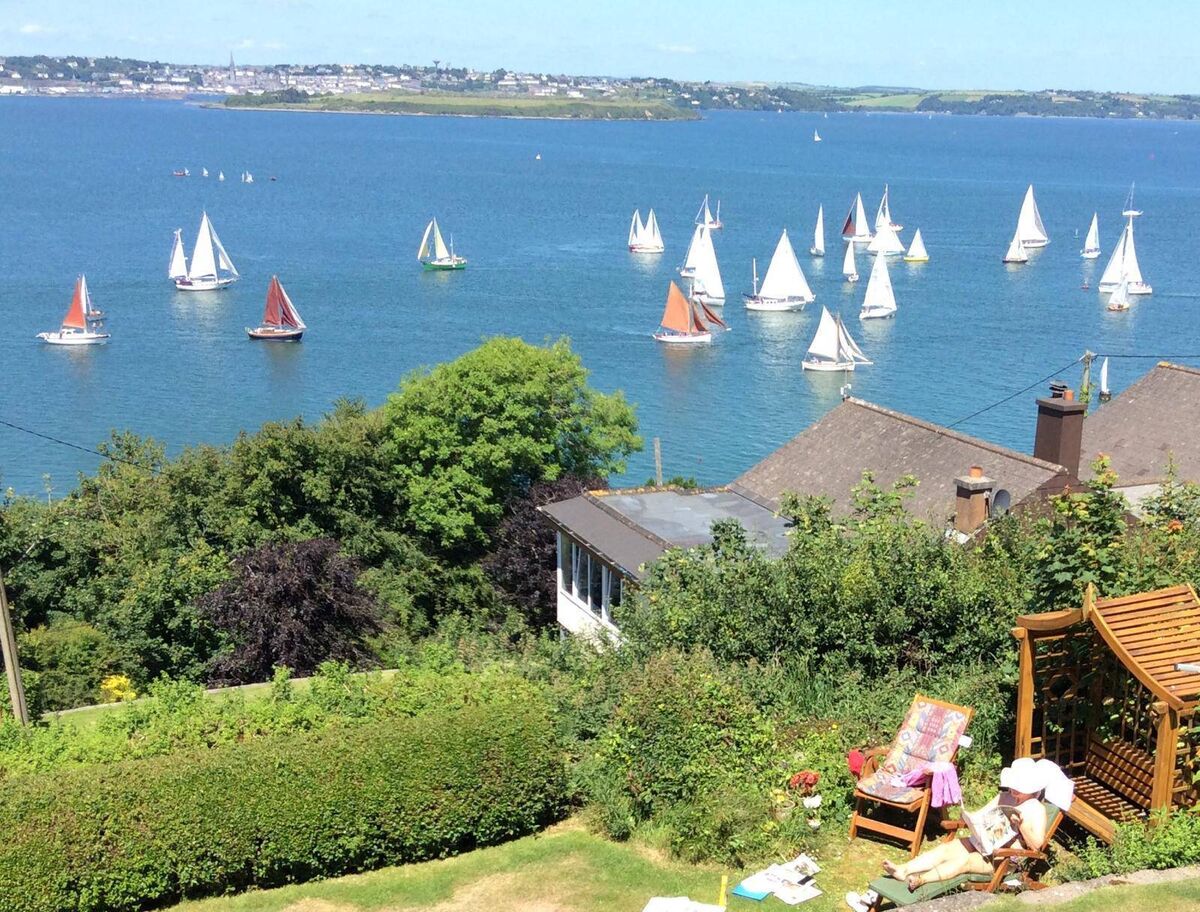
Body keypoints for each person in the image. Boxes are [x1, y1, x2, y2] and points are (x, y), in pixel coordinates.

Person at [845, 757, 1064, 912]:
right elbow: (982, 815)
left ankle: (921, 879)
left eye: (1019, 788)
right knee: (946, 849)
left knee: (964, 862)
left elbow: (1037, 846)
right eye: (1013, 786)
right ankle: (904, 870)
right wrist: (971, 819)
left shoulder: (1036, 809)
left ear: (1032, 787)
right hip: (982, 842)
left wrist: (1022, 825)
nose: (1013, 791)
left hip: (1002, 857)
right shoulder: (1004, 797)